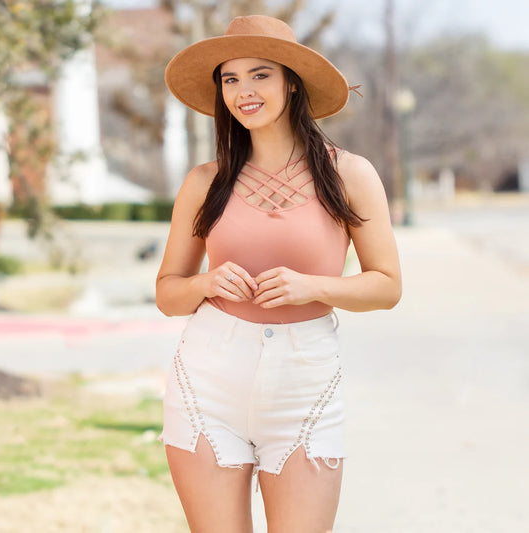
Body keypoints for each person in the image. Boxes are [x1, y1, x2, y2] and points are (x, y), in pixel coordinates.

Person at [156, 15, 401, 533]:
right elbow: (168, 293)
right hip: (208, 378)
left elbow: (387, 285)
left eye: (260, 74)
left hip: (304, 382)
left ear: (292, 81)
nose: (243, 91)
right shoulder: (205, 181)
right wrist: (205, 283)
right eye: (230, 79)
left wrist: (312, 287)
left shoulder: (348, 173)